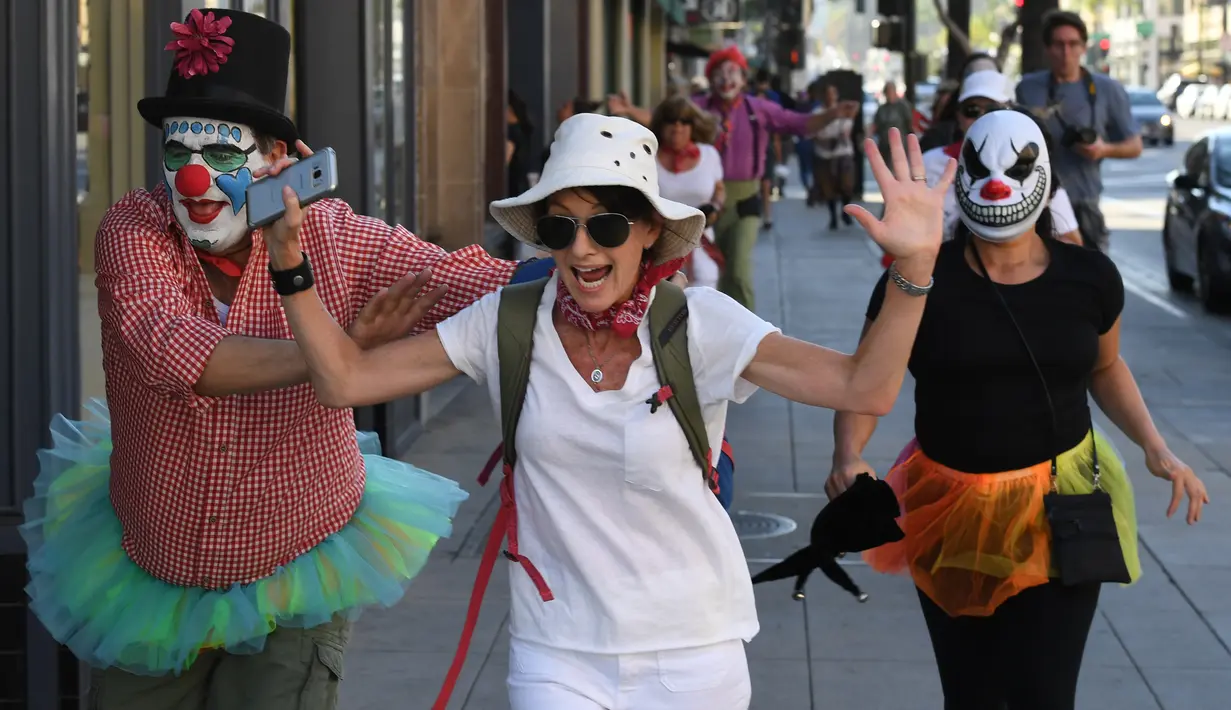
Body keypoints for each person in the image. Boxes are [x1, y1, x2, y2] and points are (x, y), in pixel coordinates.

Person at [265, 112, 954, 709]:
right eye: (560, 228)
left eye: (607, 223)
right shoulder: (502, 323)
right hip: (556, 648)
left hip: (693, 649)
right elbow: (344, 380)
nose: (582, 248)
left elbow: (865, 388)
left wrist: (915, 268)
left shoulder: (700, 324)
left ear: (650, 230)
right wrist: (290, 264)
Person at [19, 9, 541, 709]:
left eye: (223, 156)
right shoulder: (133, 229)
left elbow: (468, 282)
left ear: (278, 161)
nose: (194, 181)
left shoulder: (335, 236)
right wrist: (341, 353)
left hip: (294, 558)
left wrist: (609, 275)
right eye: (179, 154)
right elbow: (175, 352)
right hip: (154, 560)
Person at [829, 108, 1208, 710]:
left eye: (1017, 168)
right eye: (982, 170)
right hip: (947, 508)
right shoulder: (918, 279)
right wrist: (847, 455)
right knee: (971, 695)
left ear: (1045, 178)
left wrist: (1156, 449)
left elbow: (1105, 367)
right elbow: (868, 377)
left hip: (1060, 512)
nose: (1000, 185)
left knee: (1045, 695)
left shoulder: (1091, 279)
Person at [607, 46, 858, 311]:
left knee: (737, 272)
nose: (726, 79)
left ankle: (745, 334)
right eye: (719, 73)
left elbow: (798, 122)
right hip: (703, 201)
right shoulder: (698, 107)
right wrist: (631, 111)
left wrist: (833, 113)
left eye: (732, 72)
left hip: (742, 202)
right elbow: (667, 119)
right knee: (702, 274)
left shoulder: (759, 109)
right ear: (710, 77)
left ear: (743, 77)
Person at [1015, 10, 1141, 253]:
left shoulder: (1108, 90)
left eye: (1073, 44)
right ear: (1047, 48)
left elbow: (1135, 146)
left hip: (1084, 204)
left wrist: (1103, 149)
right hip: (1038, 205)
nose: (1066, 52)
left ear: (1083, 47)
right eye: (1058, 44)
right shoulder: (1028, 88)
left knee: (1094, 282)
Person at [921, 69, 1082, 244]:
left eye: (994, 109)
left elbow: (1072, 241)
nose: (982, 118)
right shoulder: (929, 163)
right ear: (958, 115)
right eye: (972, 110)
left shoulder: (1033, 161)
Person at [650, 95, 726, 290]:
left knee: (706, 292)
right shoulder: (648, 157)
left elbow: (719, 190)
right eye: (670, 120)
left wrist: (715, 207)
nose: (677, 126)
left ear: (693, 125)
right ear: (661, 124)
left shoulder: (709, 155)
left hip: (701, 241)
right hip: (659, 245)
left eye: (684, 121)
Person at [812, 83, 857, 230]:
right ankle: (833, 217)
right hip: (824, 153)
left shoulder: (843, 110)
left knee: (846, 184)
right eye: (827, 94)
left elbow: (854, 111)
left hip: (842, 152)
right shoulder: (818, 112)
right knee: (828, 187)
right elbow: (814, 131)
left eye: (833, 94)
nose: (830, 97)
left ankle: (845, 211)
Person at [870, 81, 915, 167]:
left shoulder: (903, 106)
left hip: (900, 143)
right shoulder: (882, 109)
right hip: (884, 143)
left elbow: (910, 124)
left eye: (890, 91)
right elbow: (875, 125)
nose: (889, 94)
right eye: (887, 91)